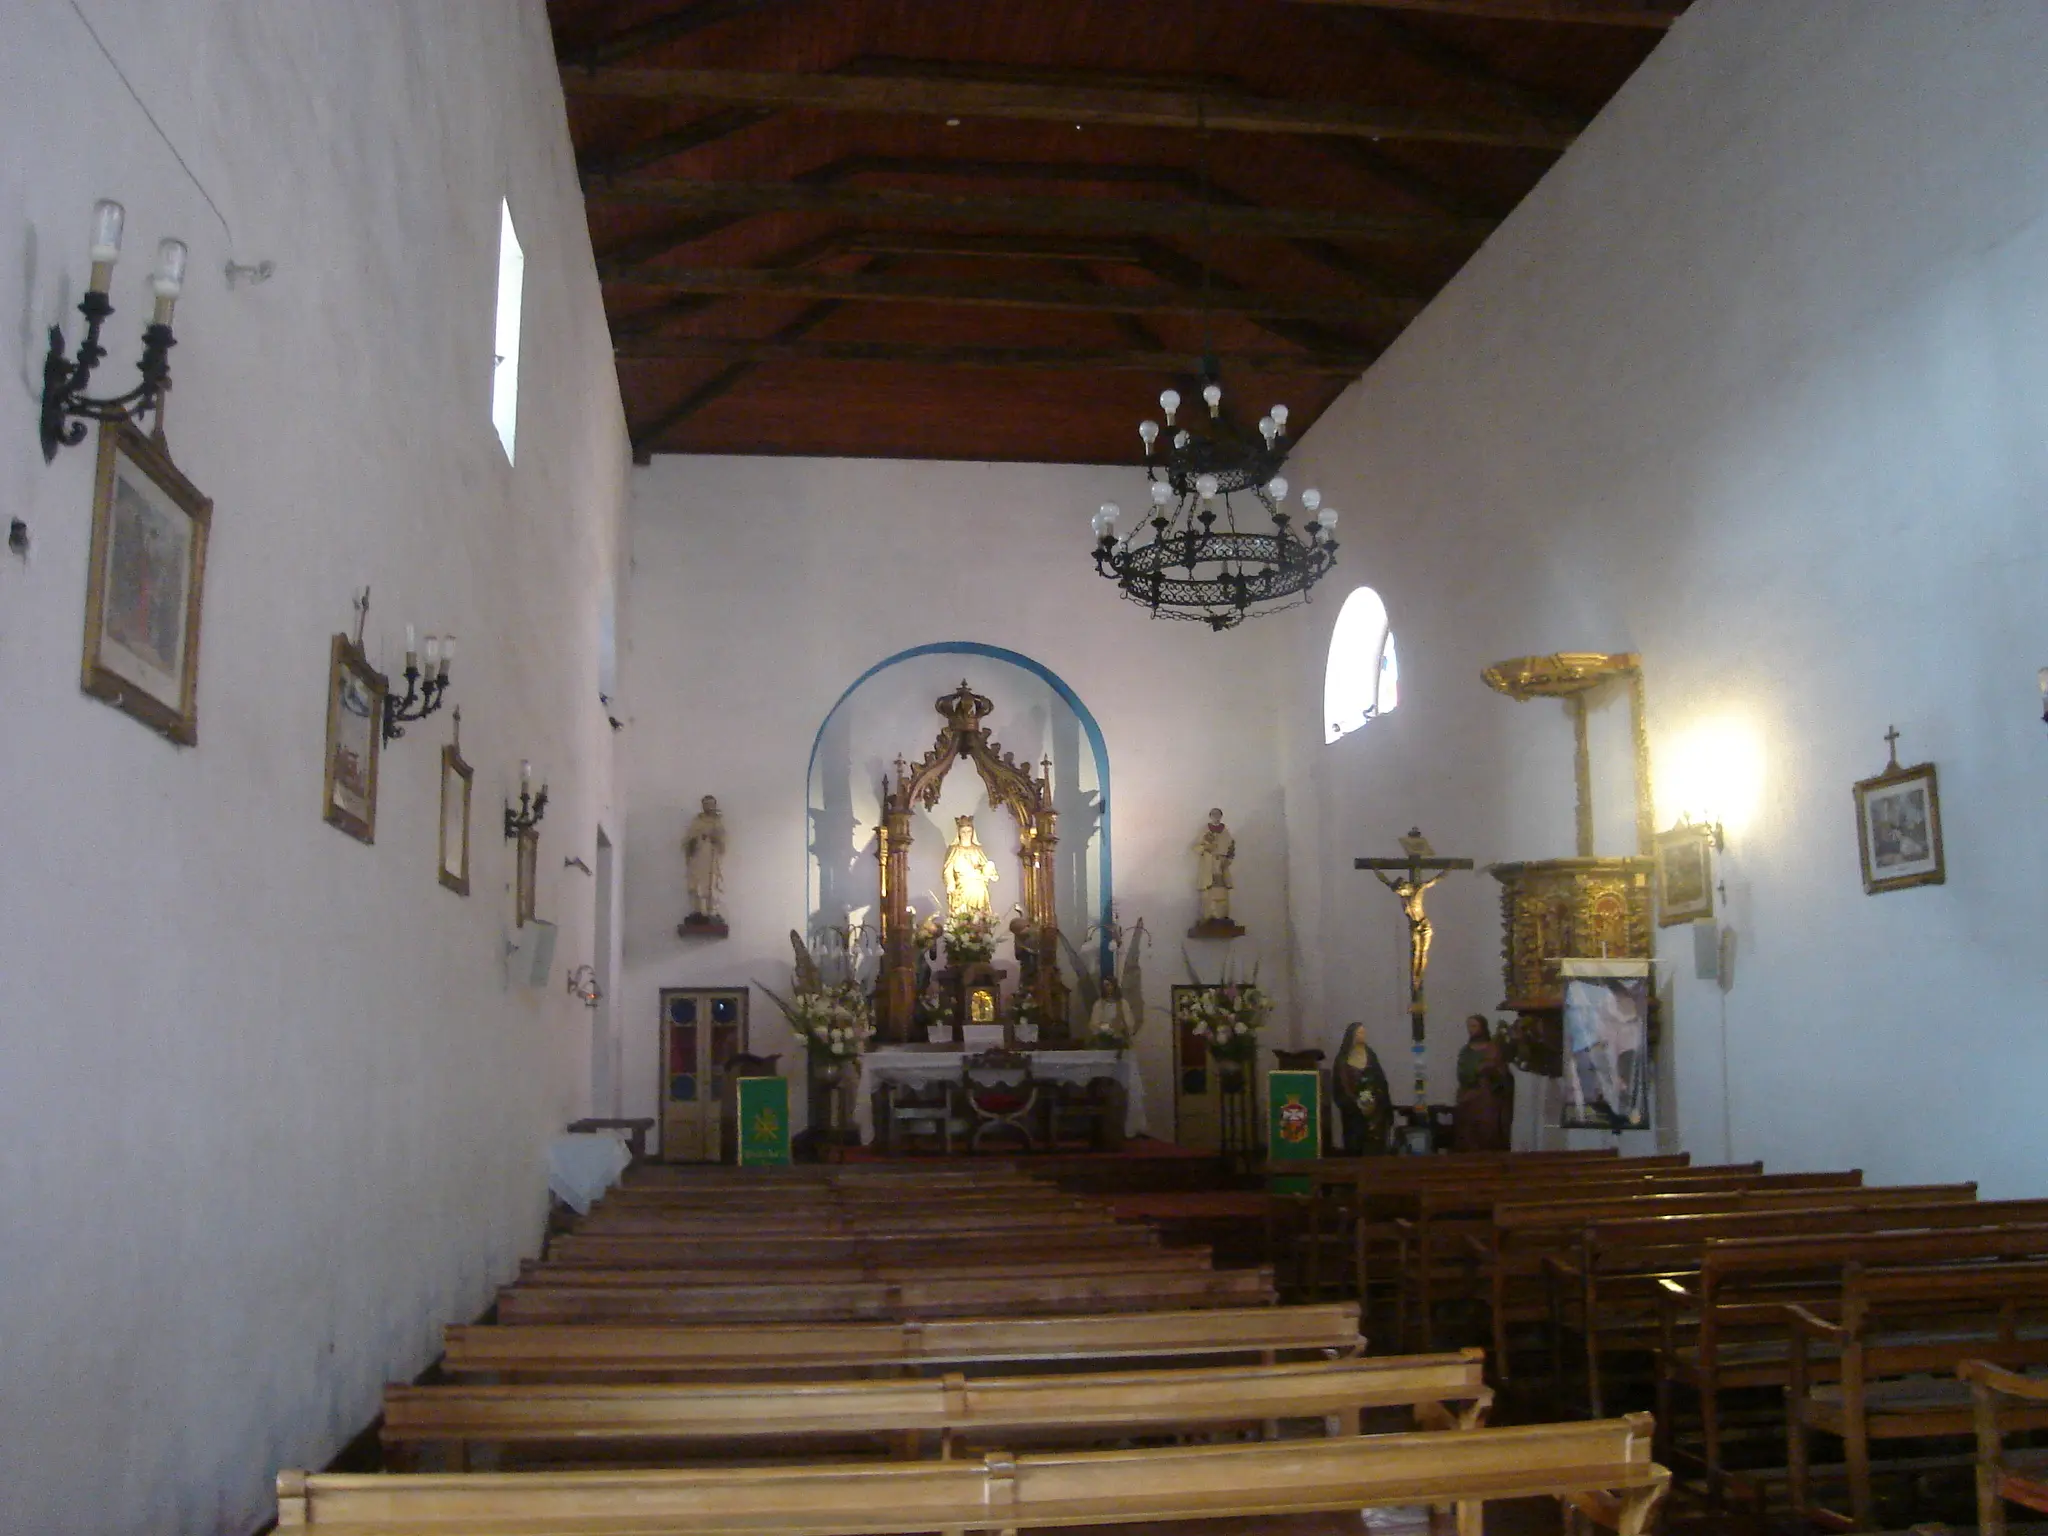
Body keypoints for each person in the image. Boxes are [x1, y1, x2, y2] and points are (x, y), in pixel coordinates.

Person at [1452, 1014, 1515, 1151]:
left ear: (1482, 1027)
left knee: (1489, 1135)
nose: (1471, 1030)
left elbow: (1504, 1075)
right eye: (1469, 1026)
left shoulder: (1493, 1049)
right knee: (1468, 1136)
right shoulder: (1466, 1051)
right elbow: (1462, 1072)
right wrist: (1478, 1070)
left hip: (1489, 1099)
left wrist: (1494, 1070)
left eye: (1474, 1026)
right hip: (1469, 1098)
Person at [1331, 1021, 1393, 1156]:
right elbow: (1338, 1087)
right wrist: (1355, 1103)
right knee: (1355, 1146)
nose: (1362, 1036)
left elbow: (1380, 1081)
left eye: (1364, 1033)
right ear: (1351, 1036)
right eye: (1359, 1033)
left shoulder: (1371, 1055)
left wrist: (1376, 1100)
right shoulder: (1342, 1059)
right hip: (1353, 1113)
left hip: (1374, 1111)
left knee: (1375, 1147)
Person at [942, 814, 999, 917]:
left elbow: (984, 865)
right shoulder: (954, 849)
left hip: (978, 881)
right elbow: (948, 869)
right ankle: (965, 920)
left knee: (980, 889)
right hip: (962, 882)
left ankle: (979, 918)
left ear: (972, 832)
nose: (966, 834)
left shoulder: (977, 849)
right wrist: (951, 883)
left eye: (969, 831)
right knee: (969, 890)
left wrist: (989, 868)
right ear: (959, 833)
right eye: (963, 832)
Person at [682, 795, 726, 919]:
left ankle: (711, 910)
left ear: (715, 805)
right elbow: (688, 840)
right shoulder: (697, 821)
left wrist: (714, 837)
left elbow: (722, 842)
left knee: (712, 883)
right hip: (699, 858)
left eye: (711, 804)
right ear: (702, 805)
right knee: (698, 884)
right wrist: (696, 840)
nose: (709, 807)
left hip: (712, 859)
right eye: (706, 804)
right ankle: (699, 910)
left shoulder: (718, 822)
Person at [1194, 808, 1236, 924]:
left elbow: (1231, 847)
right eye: (1213, 814)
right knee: (1209, 891)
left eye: (1218, 814)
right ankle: (1209, 915)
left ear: (1221, 816)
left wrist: (1228, 859)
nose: (1216, 817)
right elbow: (1197, 847)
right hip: (1209, 865)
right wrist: (1206, 848)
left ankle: (1222, 915)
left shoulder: (1225, 831)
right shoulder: (1204, 831)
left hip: (1221, 866)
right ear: (1210, 816)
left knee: (1222, 890)